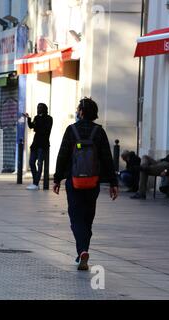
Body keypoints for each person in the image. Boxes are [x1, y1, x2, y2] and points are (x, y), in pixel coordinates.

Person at [53, 98, 118, 271]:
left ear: (81, 112)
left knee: (76, 217)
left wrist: (57, 178)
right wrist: (113, 182)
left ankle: (82, 251)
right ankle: (84, 251)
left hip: (74, 181)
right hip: (93, 182)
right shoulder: (99, 132)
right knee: (88, 217)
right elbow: (106, 158)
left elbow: (63, 155)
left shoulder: (71, 130)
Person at [24, 103, 53, 190]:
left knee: (40, 164)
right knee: (31, 162)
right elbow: (31, 126)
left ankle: (35, 183)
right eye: (37, 107)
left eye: (40, 108)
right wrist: (28, 118)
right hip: (35, 144)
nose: (38, 109)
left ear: (44, 109)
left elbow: (45, 130)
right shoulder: (36, 117)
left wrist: (37, 127)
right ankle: (35, 182)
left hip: (43, 144)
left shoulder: (49, 118)